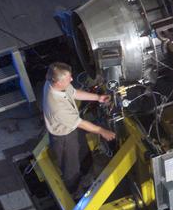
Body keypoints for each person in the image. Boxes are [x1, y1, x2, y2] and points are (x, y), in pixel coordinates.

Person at [41, 61, 116, 197]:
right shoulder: (56, 106)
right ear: (57, 82)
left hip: (72, 129)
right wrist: (102, 131)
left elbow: (74, 93)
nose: (71, 79)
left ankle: (87, 178)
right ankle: (75, 193)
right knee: (71, 168)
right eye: (68, 78)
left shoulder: (54, 83)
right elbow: (80, 123)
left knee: (83, 153)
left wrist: (98, 98)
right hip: (64, 138)